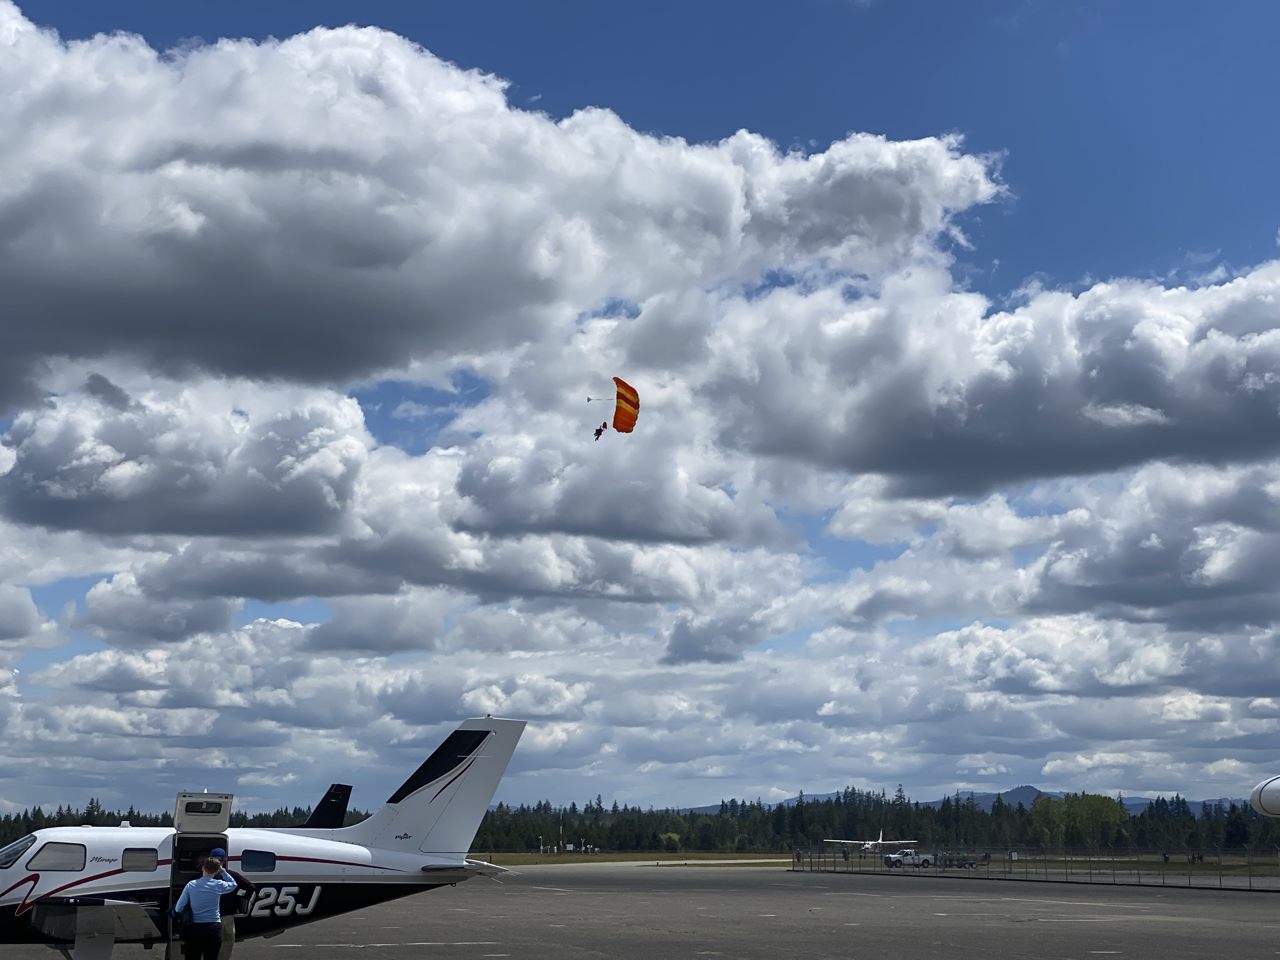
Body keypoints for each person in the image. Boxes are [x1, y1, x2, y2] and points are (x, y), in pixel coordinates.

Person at [174, 856, 238, 960]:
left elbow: (178, 908)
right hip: (214, 928)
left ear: (203, 868)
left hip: (195, 928)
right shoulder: (219, 885)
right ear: (216, 871)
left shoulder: (191, 885)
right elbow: (233, 884)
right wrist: (223, 871)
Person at [208, 847, 256, 960]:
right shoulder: (232, 875)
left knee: (208, 943)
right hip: (227, 916)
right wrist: (240, 899)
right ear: (224, 861)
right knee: (226, 943)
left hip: (208, 917)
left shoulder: (205, 877)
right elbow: (251, 887)